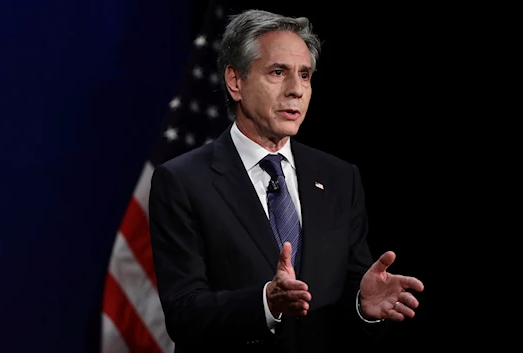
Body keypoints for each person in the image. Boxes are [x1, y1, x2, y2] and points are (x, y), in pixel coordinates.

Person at [148, 9, 424, 353]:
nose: (296, 90)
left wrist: (363, 308)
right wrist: (266, 303)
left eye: (305, 75)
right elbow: (183, 313)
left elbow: (348, 300)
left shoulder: (340, 178)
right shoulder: (183, 181)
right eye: (278, 72)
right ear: (236, 81)